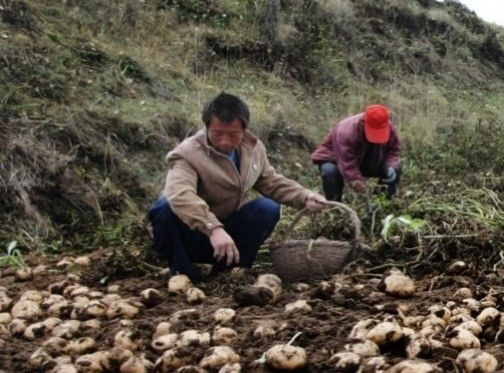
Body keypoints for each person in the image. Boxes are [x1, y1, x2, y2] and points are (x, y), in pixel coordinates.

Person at [149, 92, 327, 279]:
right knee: (164, 207)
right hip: (194, 231)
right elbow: (180, 194)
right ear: (207, 126)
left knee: (267, 208)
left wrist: (305, 196)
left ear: (244, 130)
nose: (225, 141)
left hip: (228, 232)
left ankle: (232, 269)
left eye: (233, 134)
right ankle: (182, 272)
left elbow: (271, 181)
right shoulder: (187, 154)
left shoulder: (253, 149)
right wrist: (213, 228)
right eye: (217, 134)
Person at [310, 104, 402, 201]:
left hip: (366, 158)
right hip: (336, 159)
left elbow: (393, 149)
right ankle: (336, 206)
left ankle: (381, 201)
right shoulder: (346, 130)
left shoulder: (388, 127)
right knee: (330, 171)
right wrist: (362, 188)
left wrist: (391, 165)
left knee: (395, 170)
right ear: (364, 123)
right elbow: (347, 163)